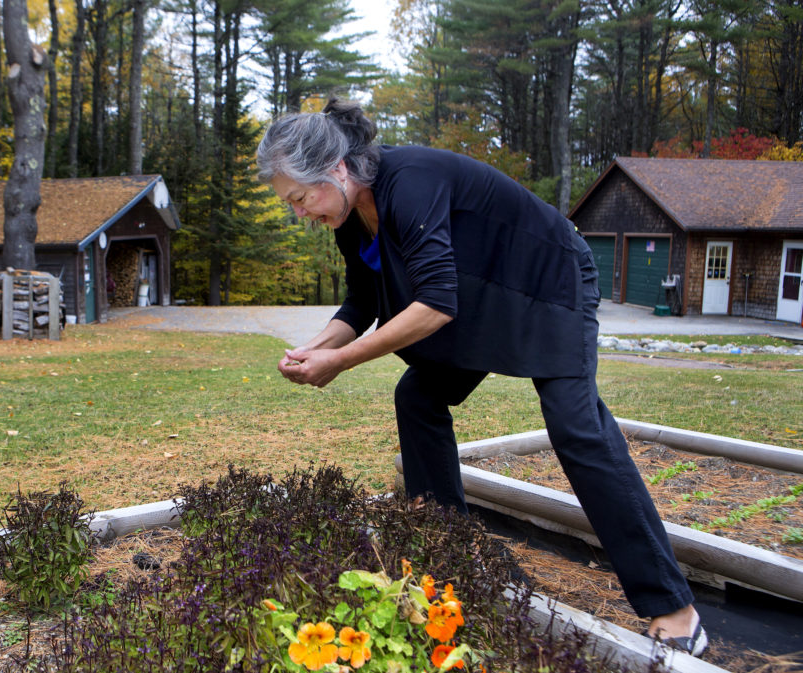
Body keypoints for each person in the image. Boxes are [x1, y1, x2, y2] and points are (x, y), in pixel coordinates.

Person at [256, 98, 707, 656]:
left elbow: (436, 304)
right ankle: (445, 555)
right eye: (291, 204)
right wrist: (313, 349)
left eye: (301, 198)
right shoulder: (349, 217)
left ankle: (673, 605)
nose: (300, 213)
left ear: (337, 170)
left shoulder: (410, 182)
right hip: (475, 295)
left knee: (576, 427)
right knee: (418, 394)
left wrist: (341, 362)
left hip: (547, 284)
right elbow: (363, 299)